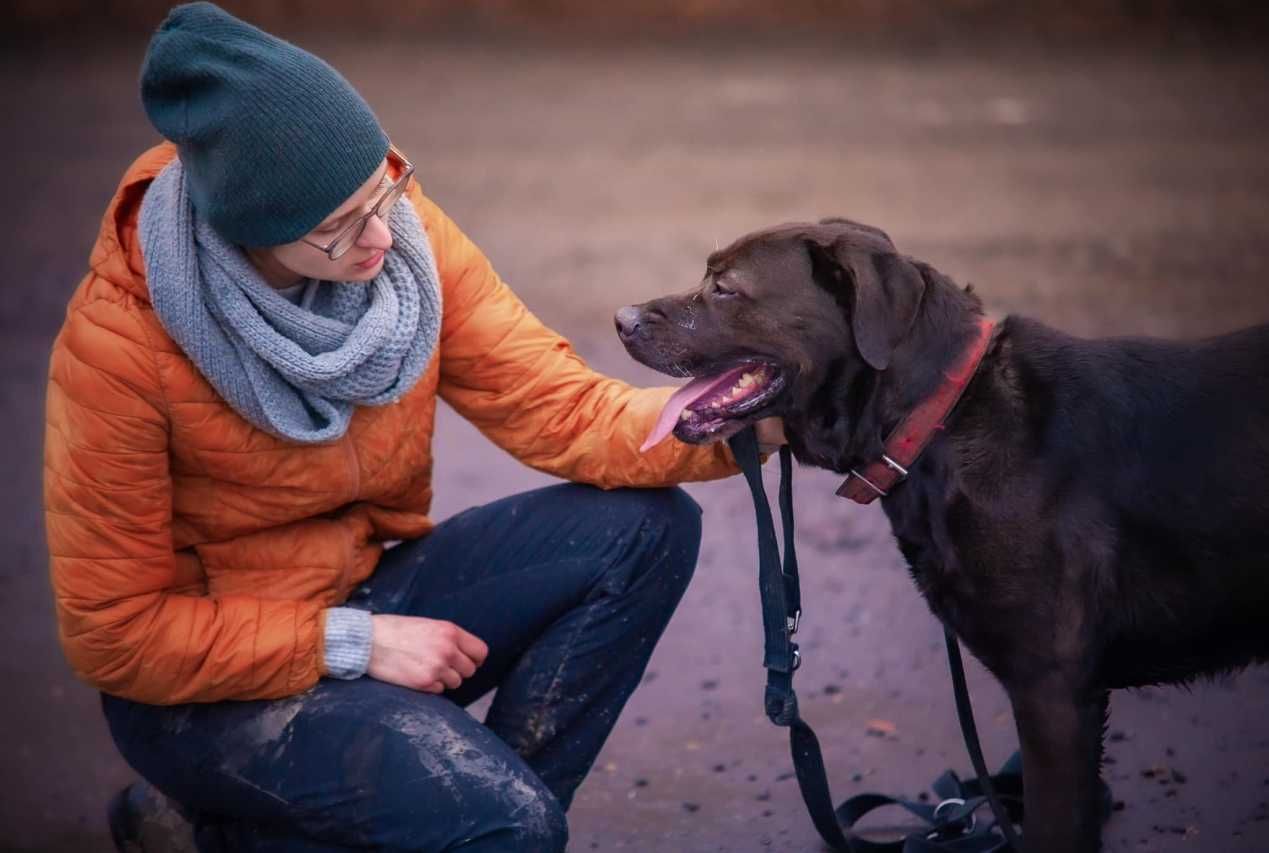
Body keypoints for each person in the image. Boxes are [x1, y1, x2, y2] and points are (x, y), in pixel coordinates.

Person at [43, 3, 784, 851]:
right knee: (508, 822)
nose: (380, 235)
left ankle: (429, 825)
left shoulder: (400, 240)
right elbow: (117, 632)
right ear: (248, 227)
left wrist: (740, 422)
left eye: (384, 189)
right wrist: (352, 643)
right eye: (338, 224)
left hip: (358, 593)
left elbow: (559, 406)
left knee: (644, 532)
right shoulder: (120, 350)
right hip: (205, 692)